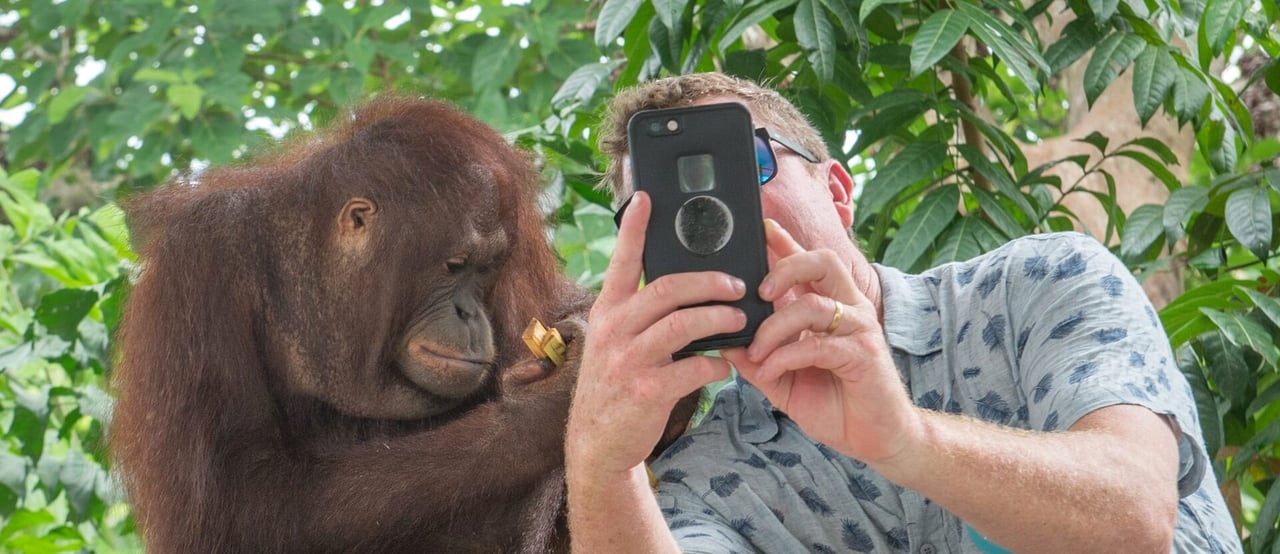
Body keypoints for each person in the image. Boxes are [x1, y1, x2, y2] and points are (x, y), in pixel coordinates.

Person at [565, 72, 1240, 553]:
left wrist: (906, 440)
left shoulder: (1043, 282)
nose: (714, 219)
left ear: (838, 193)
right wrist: (601, 467)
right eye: (652, 213)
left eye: (748, 167)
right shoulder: (712, 474)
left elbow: (1134, 519)